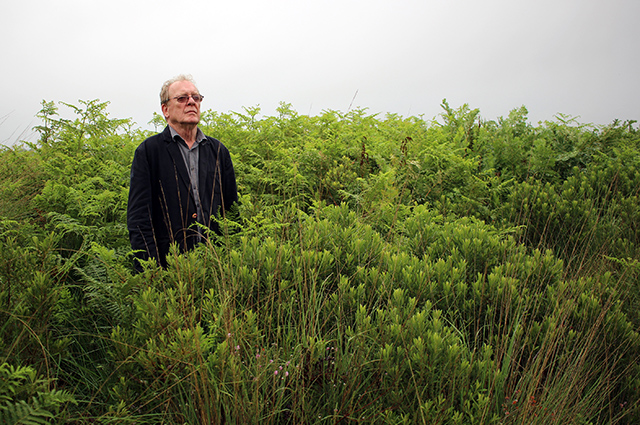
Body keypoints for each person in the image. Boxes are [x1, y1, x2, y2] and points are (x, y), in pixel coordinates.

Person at [127, 75, 238, 270]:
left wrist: (232, 260)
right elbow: (139, 219)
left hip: (215, 266)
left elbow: (232, 210)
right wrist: (150, 271)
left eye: (196, 97)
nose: (191, 102)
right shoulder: (149, 152)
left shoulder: (218, 151)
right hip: (170, 268)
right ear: (165, 109)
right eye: (182, 98)